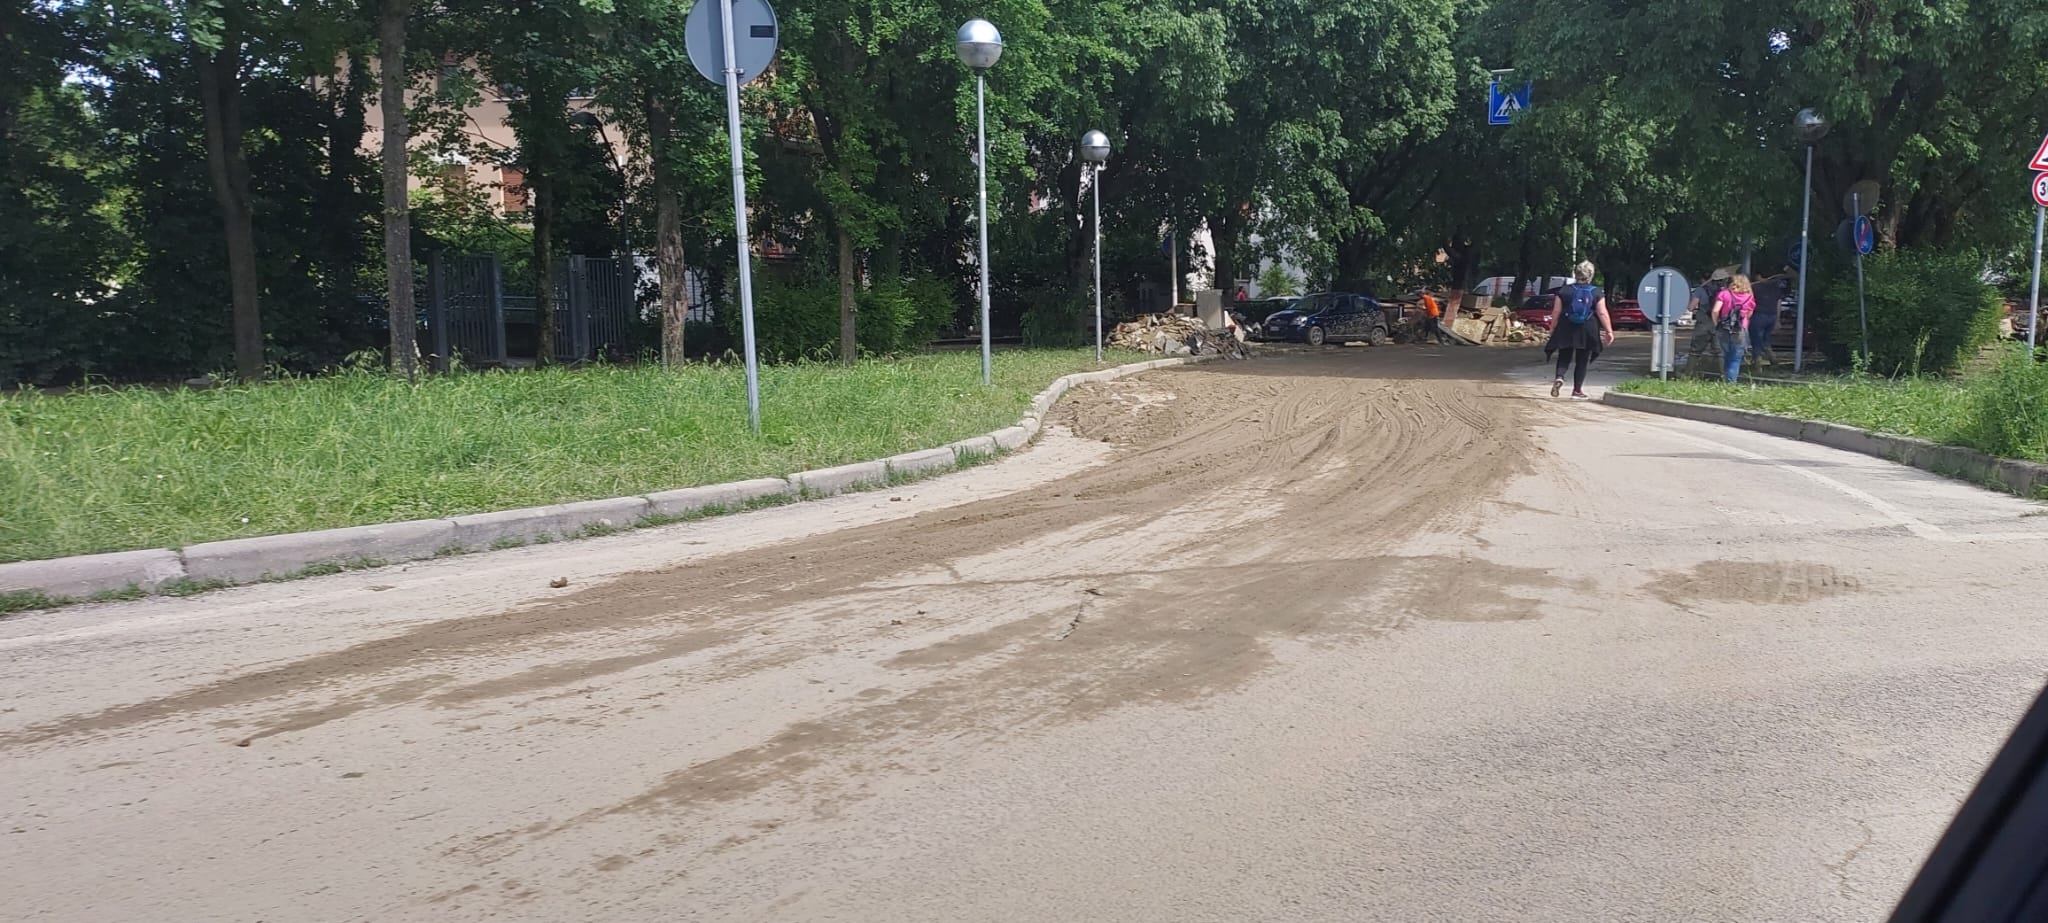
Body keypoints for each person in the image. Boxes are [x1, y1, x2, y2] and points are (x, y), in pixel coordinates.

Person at [1544, 261, 1614, 399]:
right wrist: (1609, 331)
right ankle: (1577, 391)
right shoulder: (1596, 292)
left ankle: (1559, 377)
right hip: (1587, 328)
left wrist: (1552, 328)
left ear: (1576, 274)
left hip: (1566, 326)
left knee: (1564, 354)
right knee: (1582, 360)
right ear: (1591, 275)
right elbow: (1602, 313)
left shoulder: (1564, 291)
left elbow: (1556, 311)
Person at [1713, 273, 1758, 383]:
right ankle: (1731, 382)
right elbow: (1749, 314)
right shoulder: (1749, 297)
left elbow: (1715, 311)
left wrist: (1716, 323)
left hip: (1724, 328)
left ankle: (1726, 379)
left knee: (1726, 355)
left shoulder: (1724, 294)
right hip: (1740, 329)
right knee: (1735, 358)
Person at [1748, 269, 1789, 369]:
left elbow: (1749, 302)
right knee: (1765, 340)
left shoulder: (1754, 287)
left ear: (1759, 276)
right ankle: (1773, 359)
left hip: (1758, 315)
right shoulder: (1775, 288)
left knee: (1756, 340)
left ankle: (1758, 363)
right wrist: (1777, 320)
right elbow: (1778, 304)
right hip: (1772, 316)